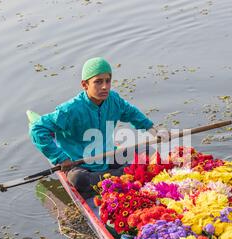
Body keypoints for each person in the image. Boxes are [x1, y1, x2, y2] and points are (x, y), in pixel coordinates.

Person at [30, 57, 169, 198]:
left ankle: (117, 176)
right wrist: (60, 158)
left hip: (107, 156)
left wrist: (153, 130)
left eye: (107, 81)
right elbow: (37, 129)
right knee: (79, 180)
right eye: (98, 81)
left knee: (145, 151)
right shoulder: (70, 110)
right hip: (79, 163)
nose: (104, 87)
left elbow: (132, 114)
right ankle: (126, 174)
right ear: (85, 84)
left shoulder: (114, 100)